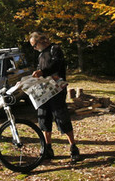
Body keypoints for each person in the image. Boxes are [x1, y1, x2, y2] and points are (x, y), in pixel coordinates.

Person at [28, 31, 81, 163]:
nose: (34, 48)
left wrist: (43, 72)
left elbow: (56, 65)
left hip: (57, 89)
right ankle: (48, 147)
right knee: (44, 117)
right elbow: (40, 69)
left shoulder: (54, 49)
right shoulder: (41, 55)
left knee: (61, 116)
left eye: (35, 45)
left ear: (41, 41)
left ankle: (73, 147)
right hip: (44, 91)